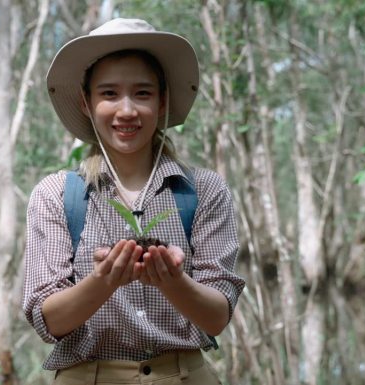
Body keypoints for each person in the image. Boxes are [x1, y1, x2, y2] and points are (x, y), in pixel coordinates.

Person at [22, 18, 245, 384]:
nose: (126, 110)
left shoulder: (203, 190)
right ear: (86, 102)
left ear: (162, 102)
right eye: (109, 94)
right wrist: (103, 280)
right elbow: (48, 322)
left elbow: (218, 316)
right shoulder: (58, 196)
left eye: (142, 93)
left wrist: (172, 281)